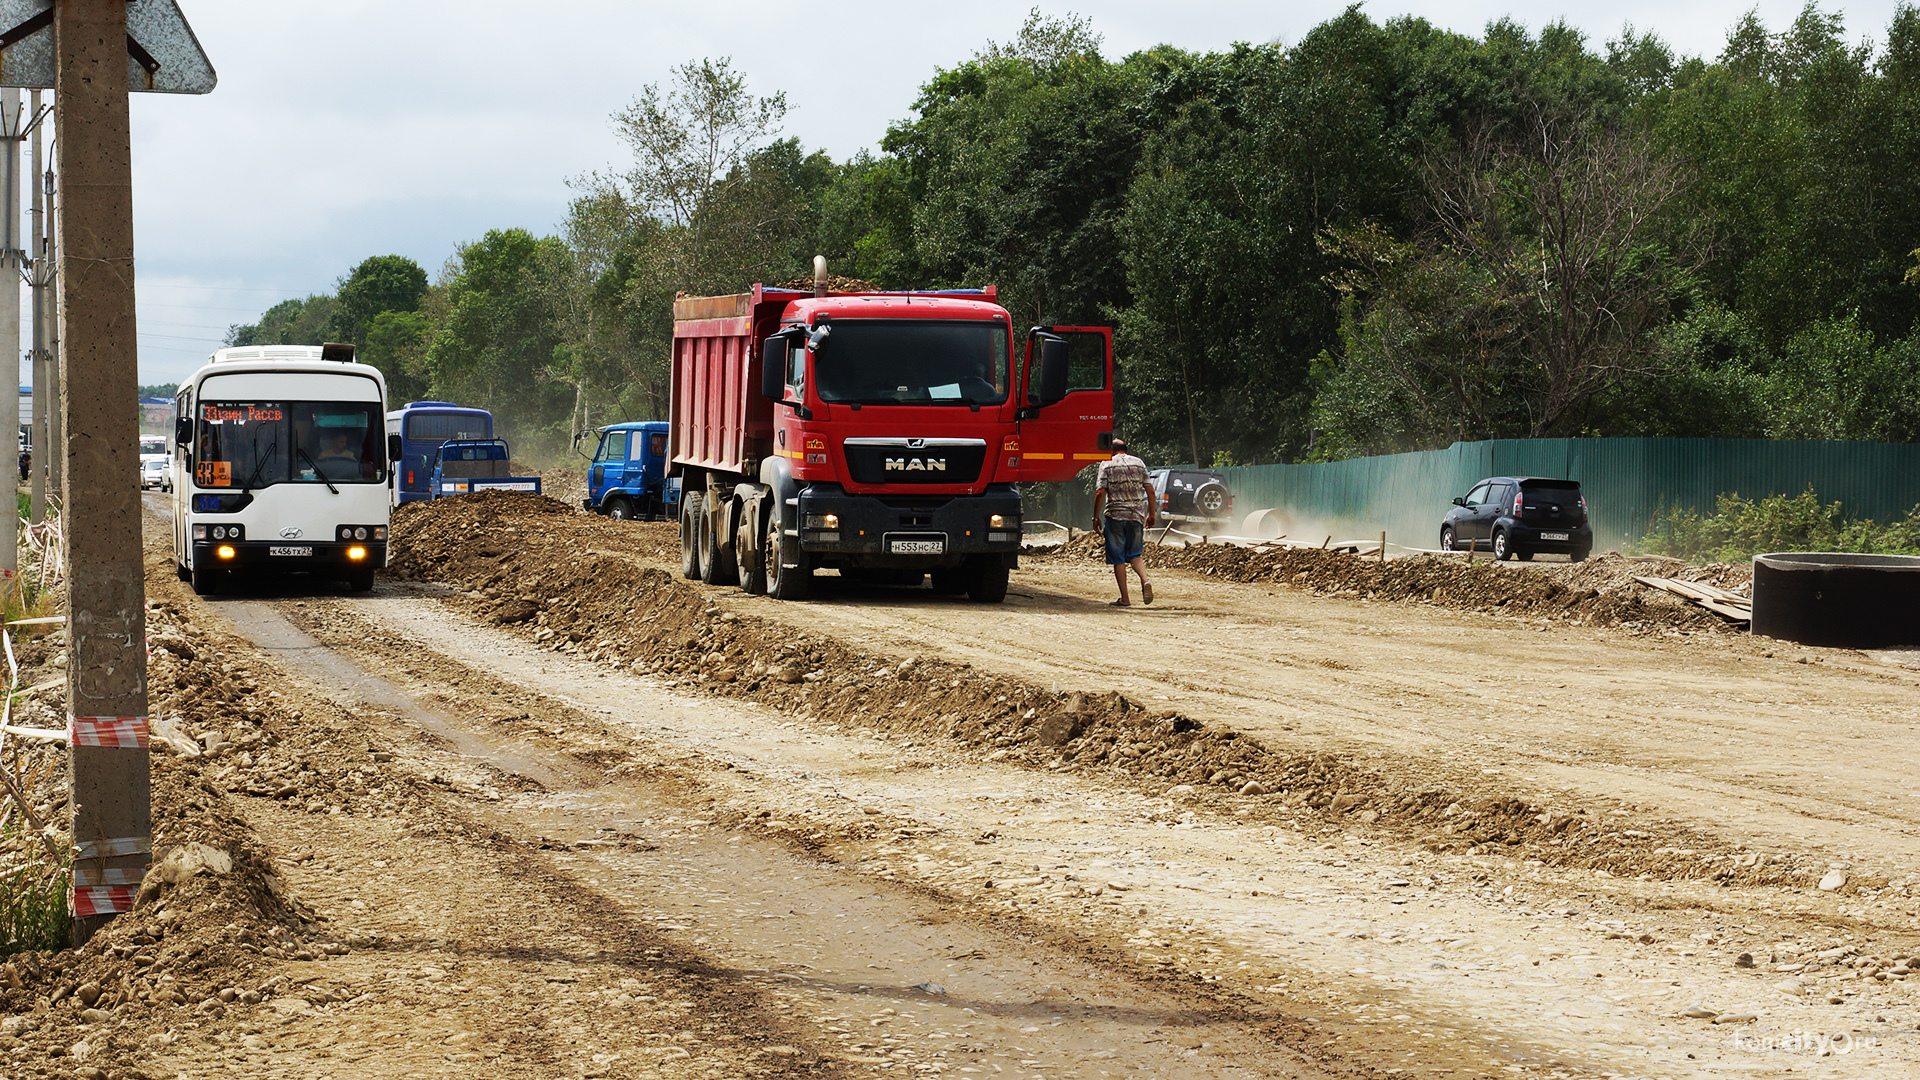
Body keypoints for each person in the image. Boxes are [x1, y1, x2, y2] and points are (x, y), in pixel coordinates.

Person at [1092, 437, 1156, 606]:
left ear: (1111, 451)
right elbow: (1150, 491)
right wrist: (1152, 514)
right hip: (1136, 516)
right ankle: (1145, 579)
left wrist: (1095, 517)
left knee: (1118, 558)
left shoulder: (1106, 464)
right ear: (1125, 449)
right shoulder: (1139, 463)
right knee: (1135, 555)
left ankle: (1125, 599)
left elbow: (1100, 492)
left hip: (1115, 517)